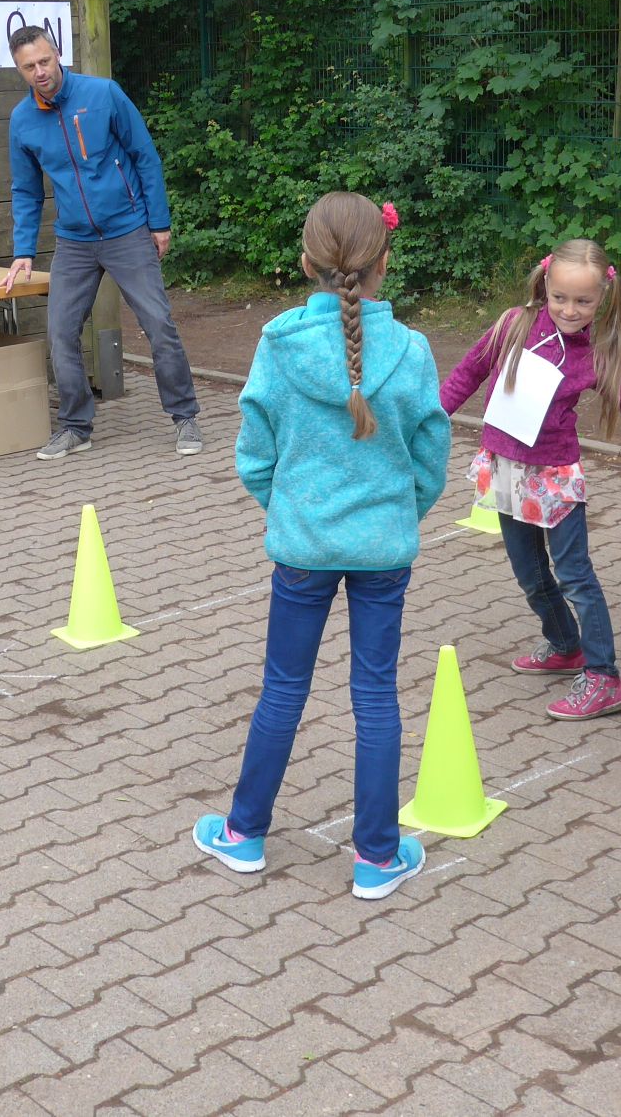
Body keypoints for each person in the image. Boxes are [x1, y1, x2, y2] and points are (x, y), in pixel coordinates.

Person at [196, 193, 450, 901]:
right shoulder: (413, 350)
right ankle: (377, 858)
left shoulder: (279, 344)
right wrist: (394, 518)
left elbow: (255, 456)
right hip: (384, 554)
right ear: (384, 263)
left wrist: (293, 513)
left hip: (302, 549)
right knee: (376, 694)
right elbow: (431, 459)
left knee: (282, 688)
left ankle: (243, 835)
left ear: (306, 264)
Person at [440, 239, 621, 721]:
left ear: (602, 297)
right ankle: (565, 645)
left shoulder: (597, 350)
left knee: (575, 575)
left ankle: (604, 677)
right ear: (545, 284)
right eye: (560, 297)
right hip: (504, 466)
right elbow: (468, 373)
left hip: (554, 475)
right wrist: (432, 418)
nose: (570, 310)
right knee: (530, 574)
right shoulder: (514, 324)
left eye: (583, 301)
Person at [0, 25, 203, 458]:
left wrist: (158, 222)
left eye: (44, 61)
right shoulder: (22, 120)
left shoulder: (103, 93)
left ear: (57, 54)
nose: (39, 71)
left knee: (158, 325)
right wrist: (23, 251)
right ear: (18, 70)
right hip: (74, 240)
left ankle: (185, 417)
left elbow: (144, 156)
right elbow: (26, 191)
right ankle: (76, 427)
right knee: (60, 333)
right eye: (28, 67)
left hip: (127, 229)